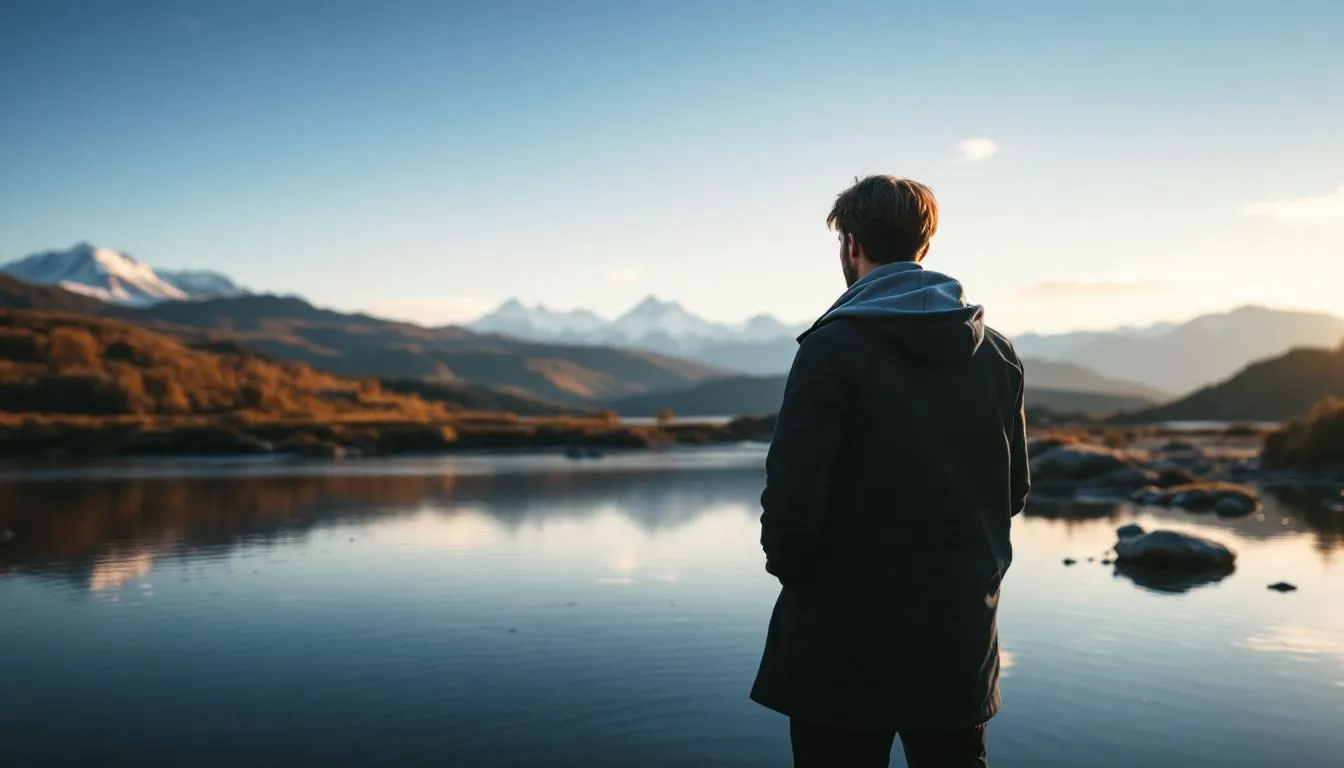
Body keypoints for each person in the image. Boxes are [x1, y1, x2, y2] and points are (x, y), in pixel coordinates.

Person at [749, 175, 1030, 767]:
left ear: (852, 244)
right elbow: (1012, 492)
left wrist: (799, 580)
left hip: (839, 641)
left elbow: (792, 505)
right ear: (923, 246)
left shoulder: (830, 349)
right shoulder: (997, 354)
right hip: (958, 634)